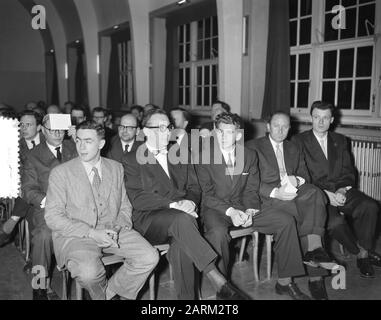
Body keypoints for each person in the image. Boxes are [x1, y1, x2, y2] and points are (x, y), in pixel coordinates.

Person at [123, 108, 248, 300]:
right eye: (160, 128)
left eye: (169, 127)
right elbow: (139, 198)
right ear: (146, 131)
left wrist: (189, 201)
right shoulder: (132, 159)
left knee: (181, 245)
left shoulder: (180, 153)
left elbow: (194, 186)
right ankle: (218, 279)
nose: (167, 132)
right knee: (182, 220)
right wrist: (175, 205)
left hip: (183, 221)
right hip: (149, 221)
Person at [196, 112, 310, 300]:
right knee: (217, 233)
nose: (223, 137)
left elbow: (251, 189)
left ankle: (285, 282)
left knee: (285, 221)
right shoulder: (204, 157)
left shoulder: (249, 155)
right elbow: (206, 195)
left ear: (238, 135)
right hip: (216, 209)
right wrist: (231, 212)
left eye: (229, 132)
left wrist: (250, 209)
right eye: (220, 132)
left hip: (244, 207)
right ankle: (223, 292)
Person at [45, 121, 158, 300]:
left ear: (101, 144)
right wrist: (91, 232)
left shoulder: (116, 168)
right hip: (77, 235)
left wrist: (118, 228)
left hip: (113, 229)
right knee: (89, 273)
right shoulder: (61, 173)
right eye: (78, 140)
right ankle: (104, 296)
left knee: (149, 257)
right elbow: (52, 217)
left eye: (88, 141)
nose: (81, 146)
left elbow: (124, 206)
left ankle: (108, 294)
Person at [246, 111, 338, 300]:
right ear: (268, 126)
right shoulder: (252, 147)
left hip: (293, 194)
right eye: (276, 126)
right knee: (303, 217)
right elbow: (248, 181)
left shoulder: (293, 148)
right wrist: (275, 192)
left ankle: (314, 250)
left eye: (285, 126)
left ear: (290, 128)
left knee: (315, 193)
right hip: (268, 199)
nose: (281, 130)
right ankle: (311, 279)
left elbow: (306, 176)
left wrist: (297, 180)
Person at [293, 101, 381, 278]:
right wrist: (325, 195)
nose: (320, 122)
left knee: (370, 206)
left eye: (325, 118)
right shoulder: (299, 141)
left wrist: (341, 190)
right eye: (316, 117)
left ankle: (365, 251)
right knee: (334, 223)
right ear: (311, 118)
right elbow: (300, 176)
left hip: (341, 191)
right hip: (317, 195)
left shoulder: (340, 140)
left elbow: (349, 170)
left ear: (332, 120)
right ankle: (360, 253)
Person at [22, 114, 78, 300]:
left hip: (78, 207)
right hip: (47, 209)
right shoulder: (32, 155)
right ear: (43, 131)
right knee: (42, 236)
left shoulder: (76, 147)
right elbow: (29, 189)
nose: (57, 133)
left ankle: (92, 282)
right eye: (52, 129)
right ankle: (39, 287)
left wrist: (80, 137)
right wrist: (49, 201)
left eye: (61, 129)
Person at [0, 111, 43, 247]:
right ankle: (36, 256)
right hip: (27, 187)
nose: (23, 129)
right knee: (31, 203)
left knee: (31, 196)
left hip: (47, 185)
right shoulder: (14, 146)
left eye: (28, 125)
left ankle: (13, 220)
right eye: (21, 125)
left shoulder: (50, 141)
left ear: (39, 128)